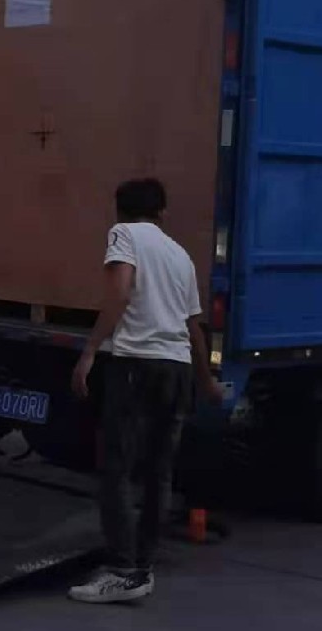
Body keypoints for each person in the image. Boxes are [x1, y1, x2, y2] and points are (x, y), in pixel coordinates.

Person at [68, 177, 222, 604]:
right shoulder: (179, 255)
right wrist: (206, 381)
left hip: (136, 365)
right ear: (162, 212)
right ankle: (143, 568)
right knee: (159, 472)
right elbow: (193, 327)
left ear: (120, 211)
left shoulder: (124, 234)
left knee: (117, 468)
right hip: (176, 370)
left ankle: (121, 569)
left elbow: (119, 292)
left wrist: (89, 352)